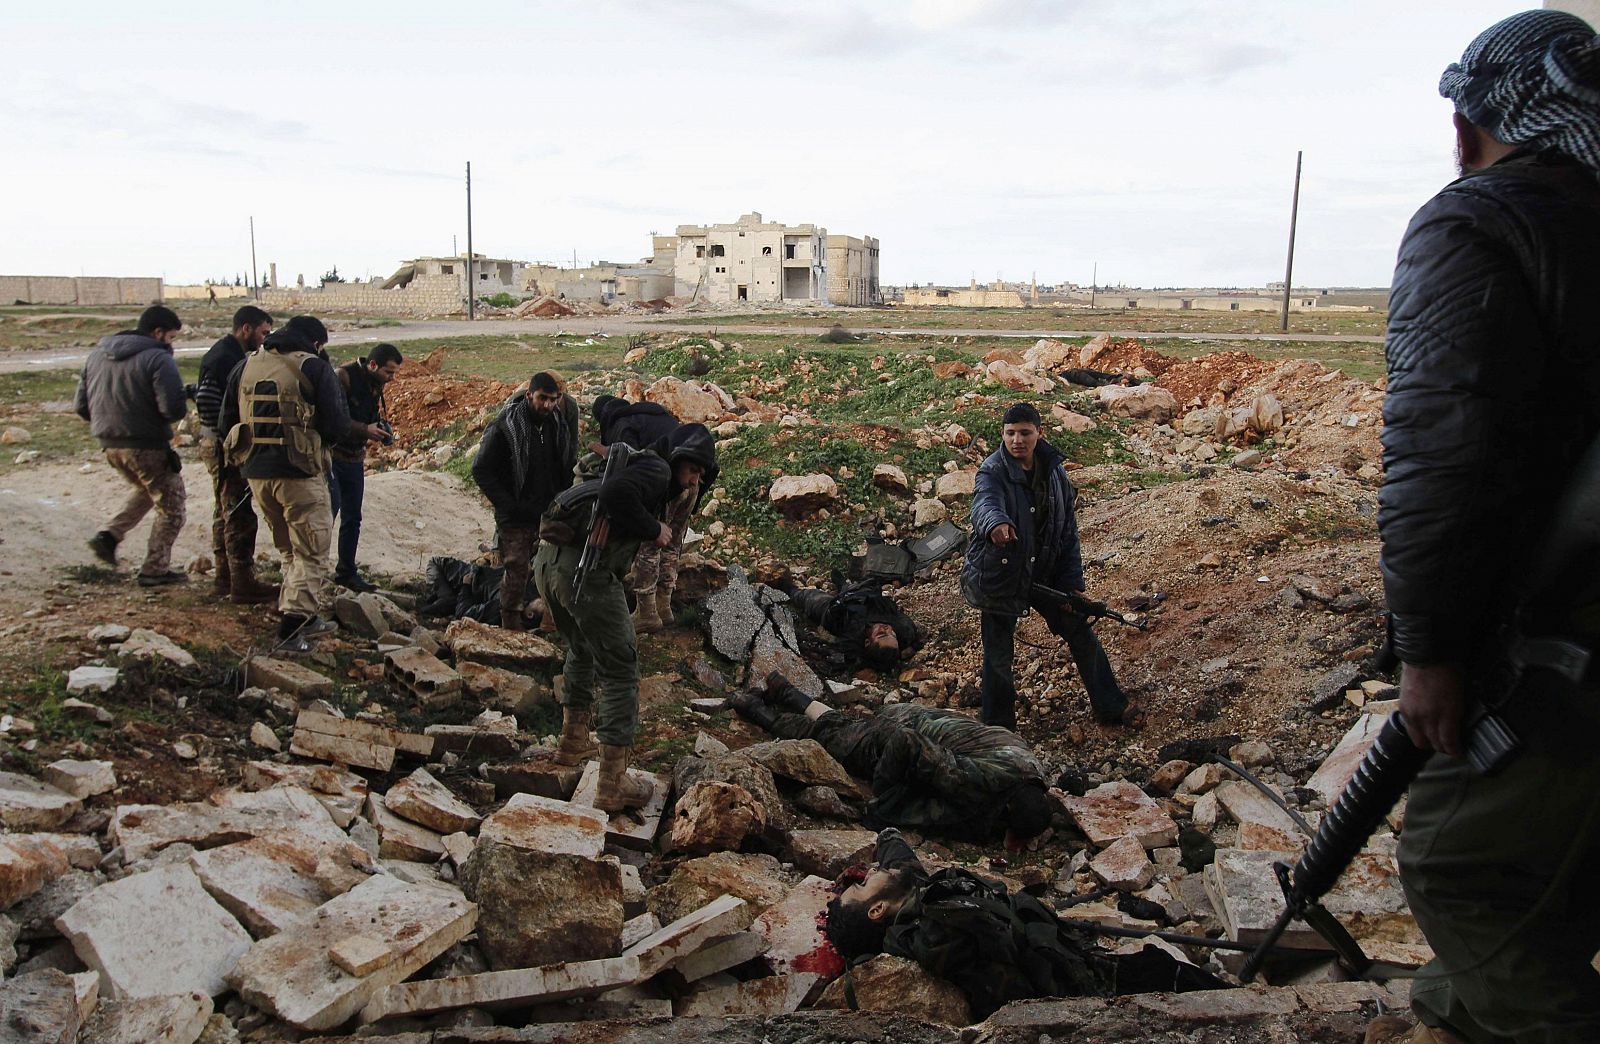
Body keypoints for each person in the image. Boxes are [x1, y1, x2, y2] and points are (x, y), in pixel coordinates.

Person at [1373, 11, 1600, 1044]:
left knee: (1464, 872)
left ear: (1468, 130)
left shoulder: (1479, 221)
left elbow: (1440, 457)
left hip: (1566, 641)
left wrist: (1427, 654)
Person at [823, 828, 1224, 1020]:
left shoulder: (914, 895)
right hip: (1080, 988)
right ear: (877, 911)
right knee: (1174, 979)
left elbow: (898, 860)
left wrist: (887, 834)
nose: (867, 874)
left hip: (1073, 959)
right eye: (861, 887)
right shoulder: (933, 925)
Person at [534, 424, 716, 810]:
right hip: (587, 576)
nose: (695, 478)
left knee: (580, 649)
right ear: (679, 457)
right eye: (695, 469)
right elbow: (617, 494)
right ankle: (613, 782)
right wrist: (655, 528)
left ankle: (571, 743)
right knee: (621, 669)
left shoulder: (634, 463)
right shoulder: (657, 470)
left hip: (549, 565)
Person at [961, 402, 1140, 730]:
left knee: (1081, 630)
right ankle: (998, 730)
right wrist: (996, 524)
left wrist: (1072, 582)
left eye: (1025, 433)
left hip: (1044, 573)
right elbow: (984, 503)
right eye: (1010, 433)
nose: (1017, 440)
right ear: (1002, 435)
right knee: (998, 656)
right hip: (1002, 575)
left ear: (1039, 434)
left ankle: (1112, 707)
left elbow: (1067, 530)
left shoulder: (1055, 471)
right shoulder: (992, 470)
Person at [732, 672, 1050, 846]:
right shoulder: (976, 778)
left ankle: (783, 689)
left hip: (923, 719)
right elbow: (905, 742)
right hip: (904, 728)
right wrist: (881, 793)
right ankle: (750, 706)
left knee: (842, 723)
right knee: (828, 738)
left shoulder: (1030, 769)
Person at [218, 315, 355, 650]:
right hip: (300, 474)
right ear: (316, 343)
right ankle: (291, 628)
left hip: (257, 475)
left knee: (289, 547)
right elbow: (338, 425)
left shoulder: (245, 366)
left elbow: (226, 422)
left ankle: (304, 613)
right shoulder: (313, 368)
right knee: (312, 550)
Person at [76, 305, 190, 587]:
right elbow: (172, 409)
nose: (171, 344)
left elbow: (81, 406)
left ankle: (110, 536)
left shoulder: (96, 356)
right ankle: (155, 569)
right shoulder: (157, 358)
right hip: (147, 444)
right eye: (171, 337)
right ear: (158, 332)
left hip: (109, 445)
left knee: (148, 490)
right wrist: (184, 395)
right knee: (173, 508)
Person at [589, 394, 718, 633]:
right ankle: (664, 606)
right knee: (673, 543)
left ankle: (646, 611)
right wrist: (694, 497)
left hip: (667, 480)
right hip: (691, 479)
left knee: (650, 542)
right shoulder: (657, 415)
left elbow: (628, 469)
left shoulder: (621, 425)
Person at [471, 372, 577, 630]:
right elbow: (481, 469)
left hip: (548, 510)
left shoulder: (557, 424)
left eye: (553, 400)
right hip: (516, 514)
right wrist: (507, 504)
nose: (548, 405)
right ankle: (510, 624)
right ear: (529, 395)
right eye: (542, 398)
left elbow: (566, 463)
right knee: (516, 569)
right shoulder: (506, 427)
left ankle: (551, 621)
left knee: (551, 566)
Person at [193, 304, 276, 603]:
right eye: (263, 333)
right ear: (246, 329)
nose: (265, 339)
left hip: (216, 443)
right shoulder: (226, 358)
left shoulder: (225, 353)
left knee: (225, 510)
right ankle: (241, 583)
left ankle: (225, 578)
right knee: (238, 513)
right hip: (223, 447)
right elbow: (208, 401)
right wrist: (232, 439)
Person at [328, 343, 403, 592]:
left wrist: (379, 428)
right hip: (333, 457)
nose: (391, 379)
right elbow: (334, 419)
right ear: (373, 365)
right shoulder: (343, 377)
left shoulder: (374, 383)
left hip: (354, 458)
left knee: (352, 518)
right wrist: (365, 430)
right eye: (388, 373)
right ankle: (310, 573)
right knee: (326, 516)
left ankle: (346, 573)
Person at [772, 576, 923, 674]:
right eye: (892, 634)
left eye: (882, 634)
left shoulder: (852, 641)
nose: (887, 629)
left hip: (833, 610)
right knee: (853, 585)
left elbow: (835, 656)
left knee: (808, 598)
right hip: (862, 596)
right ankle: (842, 583)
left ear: (867, 641)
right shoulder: (904, 629)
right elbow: (916, 635)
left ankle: (785, 587)